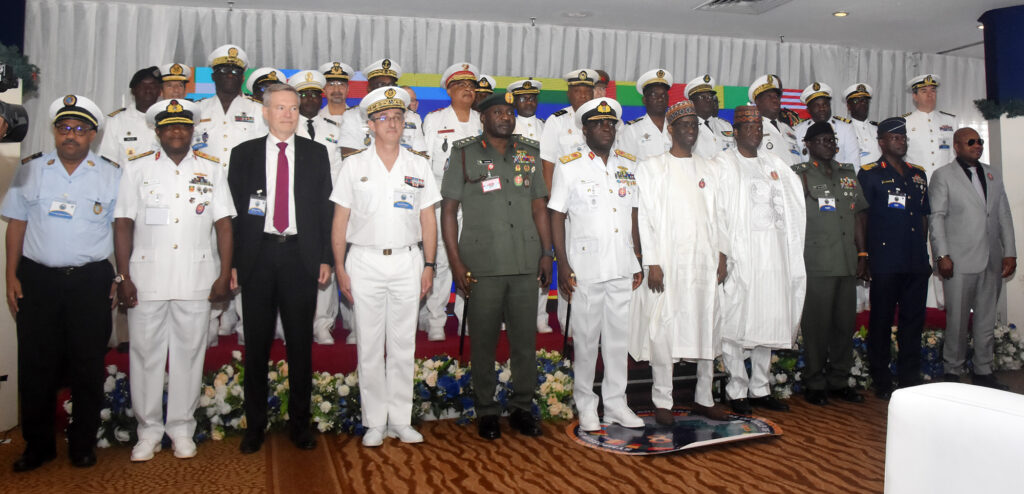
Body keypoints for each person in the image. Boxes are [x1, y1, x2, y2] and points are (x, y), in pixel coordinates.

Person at [113, 99, 235, 461]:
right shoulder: (137, 169)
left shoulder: (211, 169)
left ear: (193, 130)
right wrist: (123, 276)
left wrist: (223, 273)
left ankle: (181, 428)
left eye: (183, 125)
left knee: (189, 356)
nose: (177, 131)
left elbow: (224, 225)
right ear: (158, 131)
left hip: (196, 277)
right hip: (146, 277)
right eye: (169, 126)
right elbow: (122, 223)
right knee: (145, 356)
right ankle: (148, 431)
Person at [3, 95, 120, 471]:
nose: (72, 135)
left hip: (90, 280)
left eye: (80, 129)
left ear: (93, 135)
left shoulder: (112, 174)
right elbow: (16, 225)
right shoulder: (30, 169)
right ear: (55, 131)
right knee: (35, 364)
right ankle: (37, 446)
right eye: (65, 128)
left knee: (88, 365)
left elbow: (121, 230)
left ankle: (83, 443)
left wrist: (119, 276)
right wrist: (10, 275)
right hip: (38, 280)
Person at [227, 83, 334, 454]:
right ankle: (255, 427)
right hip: (257, 257)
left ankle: (300, 425)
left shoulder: (316, 153)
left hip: (300, 257)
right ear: (265, 112)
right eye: (280, 107)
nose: (288, 114)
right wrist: (234, 263)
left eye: (293, 108)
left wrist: (325, 257)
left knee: (300, 345)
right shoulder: (243, 154)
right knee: (256, 345)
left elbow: (325, 209)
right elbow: (233, 215)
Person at [331, 87, 440, 447]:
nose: (392, 123)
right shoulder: (354, 165)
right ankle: (375, 422)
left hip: (408, 261)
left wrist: (429, 264)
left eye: (397, 117)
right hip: (364, 262)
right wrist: (340, 267)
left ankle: (401, 420)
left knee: (403, 344)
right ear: (371, 125)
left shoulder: (418, 165)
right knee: (369, 345)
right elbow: (340, 221)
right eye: (384, 118)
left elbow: (428, 220)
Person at [440, 92, 552, 440]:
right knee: (483, 343)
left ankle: (521, 408)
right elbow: (448, 211)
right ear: (483, 118)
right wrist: (455, 262)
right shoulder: (464, 153)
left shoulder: (529, 153)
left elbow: (539, 206)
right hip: (481, 264)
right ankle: (486, 410)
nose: (506, 117)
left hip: (524, 262)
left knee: (524, 343)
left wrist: (547, 253)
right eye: (498, 112)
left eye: (509, 112)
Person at [631, 100, 731, 424]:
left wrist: (723, 253)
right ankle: (663, 401)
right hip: (668, 262)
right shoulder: (651, 168)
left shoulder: (710, 168)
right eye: (684, 125)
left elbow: (720, 215)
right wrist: (652, 262)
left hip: (704, 260)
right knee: (664, 328)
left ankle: (704, 398)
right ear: (671, 130)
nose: (691, 130)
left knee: (707, 324)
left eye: (695, 125)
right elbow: (644, 218)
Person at [549, 97, 644, 431]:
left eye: (611, 123)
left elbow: (633, 213)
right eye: (599, 123)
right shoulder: (569, 164)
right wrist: (562, 264)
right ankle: (586, 404)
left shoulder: (628, 164)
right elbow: (556, 215)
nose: (607, 128)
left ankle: (616, 404)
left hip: (621, 263)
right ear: (585, 130)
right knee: (587, 341)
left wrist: (638, 258)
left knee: (618, 341)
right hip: (585, 268)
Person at [715, 105, 806, 414]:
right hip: (742, 257)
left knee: (769, 320)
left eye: (758, 128)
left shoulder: (775, 163)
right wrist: (722, 253)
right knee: (736, 323)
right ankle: (737, 389)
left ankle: (760, 388)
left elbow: (794, 206)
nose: (755, 132)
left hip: (774, 258)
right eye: (749, 127)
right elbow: (717, 212)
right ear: (736, 132)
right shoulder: (723, 164)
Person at [929, 127, 1017, 389]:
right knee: (957, 321)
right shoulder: (943, 175)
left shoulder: (992, 174)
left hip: (991, 259)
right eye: (970, 142)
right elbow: (937, 218)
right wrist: (942, 255)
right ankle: (952, 371)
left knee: (986, 319)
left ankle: (983, 370)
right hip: (958, 261)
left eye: (979, 141)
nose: (977, 145)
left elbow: (1003, 214)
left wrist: (1010, 252)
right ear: (956, 146)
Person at [193, 45, 267, 343]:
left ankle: (247, 326)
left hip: (245, 197)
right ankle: (209, 324)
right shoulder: (198, 110)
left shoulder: (257, 110)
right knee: (208, 256)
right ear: (213, 75)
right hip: (204, 195)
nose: (230, 76)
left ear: (242, 76)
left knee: (248, 258)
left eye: (236, 71)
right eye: (224, 70)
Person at [791, 122, 867, 406]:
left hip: (847, 262)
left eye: (831, 140)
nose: (828, 144)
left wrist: (863, 254)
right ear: (808, 145)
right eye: (821, 140)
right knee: (816, 327)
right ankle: (814, 382)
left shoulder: (847, 173)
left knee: (844, 326)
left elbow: (858, 214)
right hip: (816, 262)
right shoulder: (799, 175)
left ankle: (839, 381)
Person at [857, 117, 931, 399]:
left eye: (903, 138)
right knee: (881, 321)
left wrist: (923, 249)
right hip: (886, 260)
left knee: (913, 321)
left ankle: (909, 377)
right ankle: (882, 378)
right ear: (881, 142)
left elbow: (923, 215)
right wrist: (864, 255)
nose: (901, 142)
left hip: (915, 260)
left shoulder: (918, 174)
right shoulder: (870, 173)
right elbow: (862, 216)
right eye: (894, 138)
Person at [420, 62, 482, 341]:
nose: (468, 89)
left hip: (477, 203)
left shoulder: (482, 120)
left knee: (472, 261)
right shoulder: (435, 120)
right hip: (443, 202)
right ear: (449, 90)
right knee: (443, 260)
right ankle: (436, 319)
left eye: (471, 85)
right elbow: (426, 163)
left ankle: (466, 317)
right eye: (461, 85)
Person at [289, 70, 342, 345]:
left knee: (324, 262)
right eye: (304, 95)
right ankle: (294, 323)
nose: (309, 99)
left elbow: (339, 171)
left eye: (314, 94)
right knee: (294, 266)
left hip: (325, 205)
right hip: (292, 205)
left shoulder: (333, 129)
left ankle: (323, 323)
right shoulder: (285, 127)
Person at [540, 69, 595, 333]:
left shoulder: (604, 120)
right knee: (568, 264)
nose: (582, 96)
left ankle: (593, 324)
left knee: (593, 267)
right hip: (567, 209)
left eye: (587, 91)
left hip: (595, 208)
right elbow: (548, 165)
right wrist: (554, 208)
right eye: (577, 91)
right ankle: (568, 325)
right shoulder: (557, 121)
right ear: (569, 93)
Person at [508, 78, 552, 333]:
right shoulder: (507, 125)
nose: (529, 102)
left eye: (533, 98)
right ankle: (510, 315)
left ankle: (540, 315)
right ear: (514, 101)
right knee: (512, 259)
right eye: (523, 98)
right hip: (514, 202)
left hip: (540, 202)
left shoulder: (547, 127)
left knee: (541, 257)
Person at [339, 58, 426, 156]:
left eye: (391, 85)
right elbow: (348, 158)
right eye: (381, 84)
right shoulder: (352, 116)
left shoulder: (412, 117)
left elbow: (421, 157)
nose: (386, 89)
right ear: (369, 88)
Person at [99, 66, 162, 163]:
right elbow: (107, 160)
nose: (148, 90)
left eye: (153, 86)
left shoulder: (168, 118)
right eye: (143, 86)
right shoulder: (116, 121)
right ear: (133, 91)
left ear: (159, 91)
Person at [794, 82, 861, 166]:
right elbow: (796, 163)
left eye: (825, 104)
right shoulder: (797, 131)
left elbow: (854, 164)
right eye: (816, 105)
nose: (822, 108)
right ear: (808, 110)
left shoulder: (846, 129)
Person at [904, 74, 956, 177]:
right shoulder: (904, 122)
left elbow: (955, 154)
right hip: (916, 180)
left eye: (933, 90)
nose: (929, 95)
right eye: (924, 91)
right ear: (915, 96)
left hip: (945, 180)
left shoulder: (950, 121)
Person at [618, 69, 673, 161]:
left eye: (663, 95)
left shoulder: (676, 127)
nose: (660, 99)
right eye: (654, 95)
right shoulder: (632, 129)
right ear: (644, 100)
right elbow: (624, 163)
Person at [749, 74, 801, 165]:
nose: (775, 100)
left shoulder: (789, 129)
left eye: (776, 96)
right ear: (758, 102)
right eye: (769, 96)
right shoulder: (751, 129)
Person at [686, 74, 733, 159]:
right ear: (691, 102)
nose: (708, 99)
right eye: (703, 97)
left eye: (710, 96)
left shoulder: (726, 126)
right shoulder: (686, 128)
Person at [842, 83, 881, 167]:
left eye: (865, 100)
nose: (862, 103)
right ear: (848, 106)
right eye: (856, 101)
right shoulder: (844, 130)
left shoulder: (879, 129)